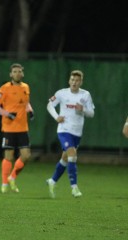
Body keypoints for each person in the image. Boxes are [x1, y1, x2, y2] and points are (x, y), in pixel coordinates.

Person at [46, 70, 95, 198]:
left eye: (77, 80)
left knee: (65, 158)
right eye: (72, 80)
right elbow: (50, 105)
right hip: (63, 130)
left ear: (81, 82)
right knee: (72, 155)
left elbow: (91, 113)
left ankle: (52, 181)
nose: (74, 82)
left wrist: (82, 109)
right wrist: (57, 117)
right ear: (69, 81)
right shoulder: (61, 93)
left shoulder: (85, 95)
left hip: (77, 132)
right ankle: (74, 188)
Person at [0, 63, 34, 194]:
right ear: (11, 74)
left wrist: (30, 110)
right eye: (15, 71)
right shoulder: (4, 88)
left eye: (19, 71)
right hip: (9, 128)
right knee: (8, 157)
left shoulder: (26, 87)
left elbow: (25, 103)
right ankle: (4, 183)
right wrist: (7, 114)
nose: (17, 73)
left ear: (22, 73)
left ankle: (12, 177)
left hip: (23, 128)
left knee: (26, 156)